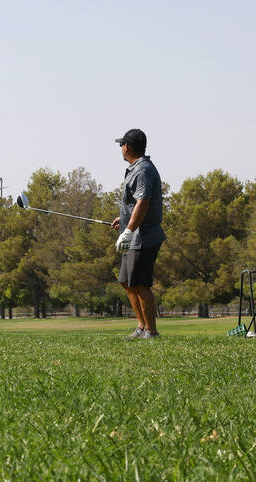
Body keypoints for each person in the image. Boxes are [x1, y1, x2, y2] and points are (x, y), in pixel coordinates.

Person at [111, 128, 166, 339]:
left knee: (141, 284)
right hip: (133, 234)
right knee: (126, 282)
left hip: (143, 237)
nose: (121, 149)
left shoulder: (143, 170)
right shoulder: (136, 168)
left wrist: (129, 229)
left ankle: (151, 332)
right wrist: (124, 220)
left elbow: (143, 202)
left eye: (121, 145)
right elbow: (134, 203)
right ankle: (141, 326)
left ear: (128, 147)